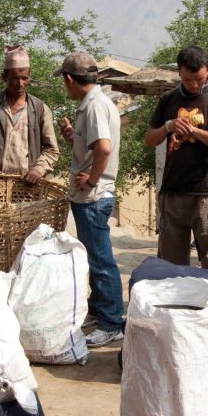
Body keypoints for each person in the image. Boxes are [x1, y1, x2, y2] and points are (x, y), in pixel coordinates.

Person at [55, 52, 125, 348]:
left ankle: (111, 323)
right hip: (91, 195)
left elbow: (104, 149)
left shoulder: (95, 106)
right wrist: (75, 136)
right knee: (95, 257)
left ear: (70, 79)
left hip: (94, 196)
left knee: (100, 260)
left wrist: (93, 179)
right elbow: (93, 145)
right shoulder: (93, 105)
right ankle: (99, 311)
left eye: (64, 81)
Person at [146, 46, 208, 271]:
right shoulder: (167, 100)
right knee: (170, 267)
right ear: (179, 73)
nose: (194, 85)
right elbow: (150, 139)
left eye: (200, 79)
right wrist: (169, 126)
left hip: (206, 194)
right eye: (188, 80)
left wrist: (194, 132)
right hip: (172, 192)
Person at [0, 45, 59, 183]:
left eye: (24, 78)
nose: (20, 84)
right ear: (5, 77)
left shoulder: (40, 109)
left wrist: (38, 169)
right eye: (15, 78)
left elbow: (51, 149)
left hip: (27, 186)